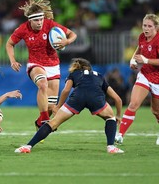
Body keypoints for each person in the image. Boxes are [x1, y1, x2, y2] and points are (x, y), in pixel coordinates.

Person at [14, 58, 124, 154]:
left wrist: (58, 106)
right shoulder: (99, 76)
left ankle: (28, 146)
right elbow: (118, 99)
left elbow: (66, 90)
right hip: (96, 97)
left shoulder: (74, 74)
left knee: (53, 123)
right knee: (110, 118)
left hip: (78, 97)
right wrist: (118, 116)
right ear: (88, 67)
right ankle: (111, 147)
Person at [6, 0, 77, 130]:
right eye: (37, 20)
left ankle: (40, 122)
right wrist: (13, 60)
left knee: (51, 107)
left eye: (41, 19)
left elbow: (73, 34)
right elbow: (9, 44)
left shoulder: (50, 24)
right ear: (30, 21)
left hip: (53, 65)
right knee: (42, 84)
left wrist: (66, 41)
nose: (40, 22)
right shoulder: (23, 29)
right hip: (35, 64)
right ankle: (44, 118)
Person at [115, 14, 159, 145]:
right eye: (144, 25)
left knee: (156, 111)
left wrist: (146, 60)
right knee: (133, 103)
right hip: (145, 74)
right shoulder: (142, 37)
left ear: (156, 27)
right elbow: (139, 48)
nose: (146, 28)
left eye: (149, 26)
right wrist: (133, 59)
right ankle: (120, 135)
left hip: (158, 78)